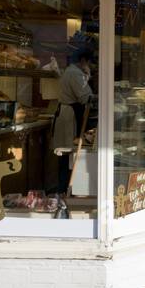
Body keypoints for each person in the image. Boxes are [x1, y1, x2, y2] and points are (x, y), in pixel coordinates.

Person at [53, 48, 94, 192]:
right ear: (83, 61)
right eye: (89, 62)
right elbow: (85, 97)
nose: (90, 65)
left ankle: (64, 187)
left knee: (66, 152)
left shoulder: (72, 72)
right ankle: (66, 188)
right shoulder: (75, 74)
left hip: (66, 113)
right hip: (70, 116)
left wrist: (87, 76)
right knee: (68, 152)